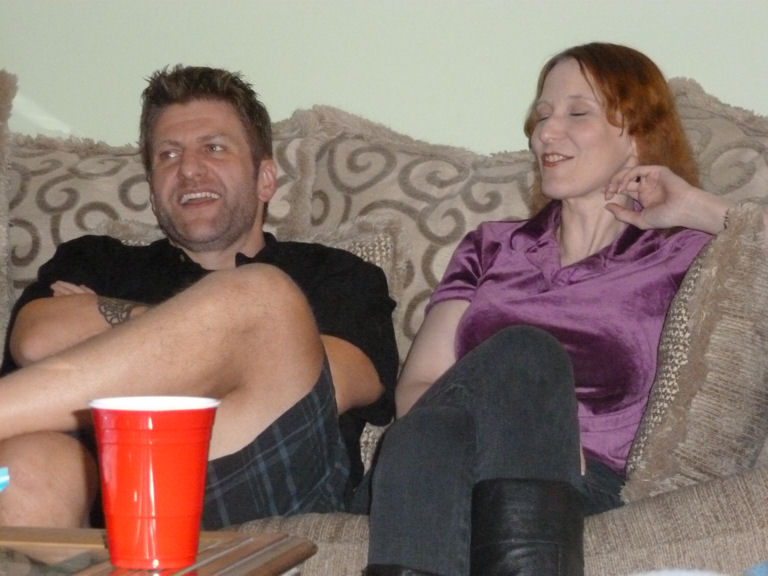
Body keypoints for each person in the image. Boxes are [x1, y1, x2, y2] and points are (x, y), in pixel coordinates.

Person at [363, 42, 739, 576]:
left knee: (508, 369)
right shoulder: (492, 246)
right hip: (443, 468)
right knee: (452, 411)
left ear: (636, 136)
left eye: (577, 113)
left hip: (579, 488)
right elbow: (420, 385)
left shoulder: (681, 253)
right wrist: (533, 433)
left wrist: (695, 207)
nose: (545, 133)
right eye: (542, 116)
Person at [0, 65, 398, 530]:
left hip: (260, 478)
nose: (188, 169)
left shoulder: (336, 273)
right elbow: (36, 340)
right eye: (168, 155)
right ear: (153, 191)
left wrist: (115, 325)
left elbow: (332, 384)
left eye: (214, 147)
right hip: (104, 494)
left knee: (262, 296)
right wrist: (220, 344)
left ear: (265, 178)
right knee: (26, 467)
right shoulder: (98, 258)